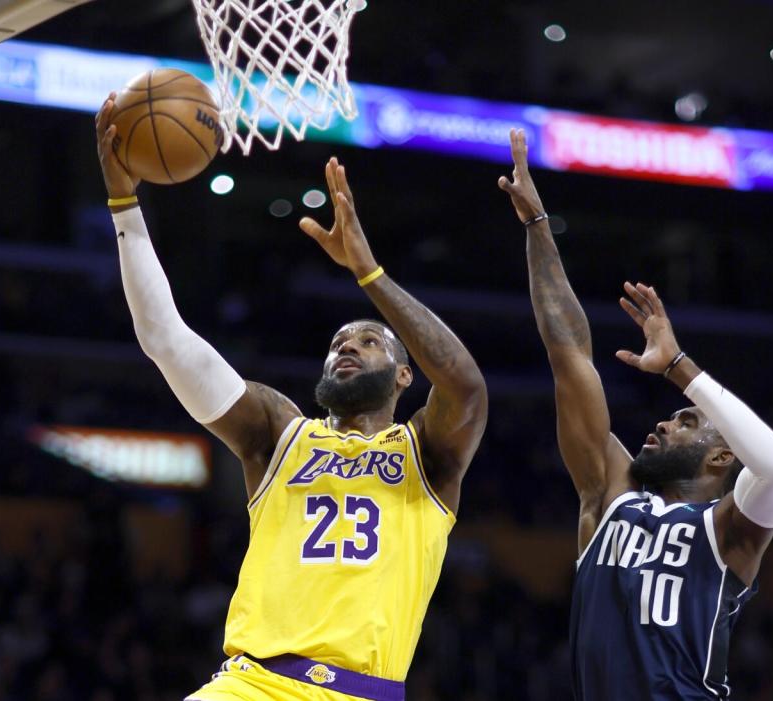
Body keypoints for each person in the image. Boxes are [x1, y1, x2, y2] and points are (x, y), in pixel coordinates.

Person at [95, 94, 488, 701]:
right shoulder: (279, 431)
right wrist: (125, 206)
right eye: (337, 343)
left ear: (406, 377)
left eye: (367, 342)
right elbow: (167, 341)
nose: (346, 348)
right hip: (251, 684)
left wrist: (370, 274)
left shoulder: (428, 456)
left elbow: (464, 385)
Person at [498, 128, 773, 700]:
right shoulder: (610, 494)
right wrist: (538, 228)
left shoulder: (731, 529)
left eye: (686, 421)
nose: (662, 423)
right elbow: (568, 355)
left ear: (722, 454)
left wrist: (679, 367)